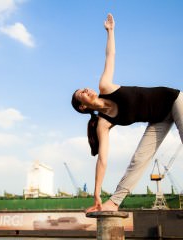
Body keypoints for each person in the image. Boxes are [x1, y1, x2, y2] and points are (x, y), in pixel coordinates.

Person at [71, 13, 183, 213]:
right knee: (139, 159)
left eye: (84, 88)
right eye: (82, 94)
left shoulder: (105, 86)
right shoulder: (103, 124)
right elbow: (103, 160)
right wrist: (97, 193)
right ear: (83, 107)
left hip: (173, 100)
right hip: (159, 120)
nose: (86, 90)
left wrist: (110, 31)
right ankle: (112, 203)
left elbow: (110, 56)